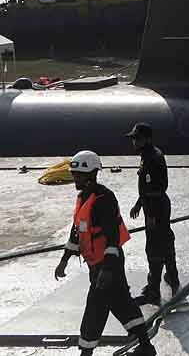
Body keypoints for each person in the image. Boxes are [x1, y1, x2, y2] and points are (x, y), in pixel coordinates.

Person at [54, 150, 156, 356]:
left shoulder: (104, 199)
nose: (74, 178)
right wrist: (64, 260)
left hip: (108, 264)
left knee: (95, 309)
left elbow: (112, 238)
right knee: (122, 304)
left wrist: (108, 269)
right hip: (98, 265)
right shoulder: (84, 197)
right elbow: (78, 231)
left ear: (91, 174)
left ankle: (86, 353)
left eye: (78, 175)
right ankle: (146, 347)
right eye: (74, 174)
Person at [127, 123, 179, 306]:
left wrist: (149, 210)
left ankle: (153, 290)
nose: (134, 141)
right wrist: (139, 204)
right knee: (165, 239)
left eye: (137, 138)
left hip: (155, 208)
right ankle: (172, 276)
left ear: (147, 138)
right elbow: (149, 187)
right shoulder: (149, 155)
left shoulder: (152, 158)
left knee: (154, 247)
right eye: (133, 138)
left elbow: (158, 187)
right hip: (155, 206)